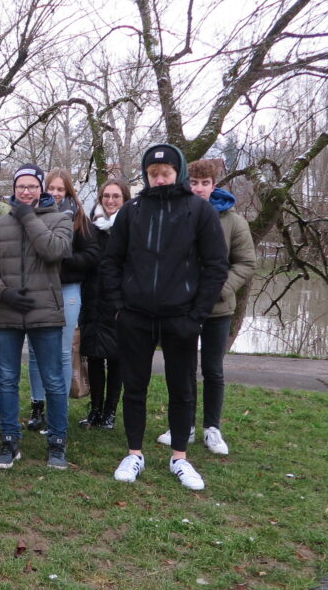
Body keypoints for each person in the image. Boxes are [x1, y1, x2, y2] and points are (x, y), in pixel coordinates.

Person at [101, 144, 228, 491]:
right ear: (146, 176)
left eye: (166, 173)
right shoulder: (132, 211)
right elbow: (112, 261)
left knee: (182, 388)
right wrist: (118, 307)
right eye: (153, 174)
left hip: (181, 317)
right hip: (135, 316)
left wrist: (197, 315)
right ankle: (134, 452)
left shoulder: (199, 211)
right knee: (135, 386)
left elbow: (216, 267)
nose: (159, 179)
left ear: (178, 173)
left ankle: (180, 458)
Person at [153, 159, 255, 454]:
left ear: (214, 185)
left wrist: (219, 290)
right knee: (184, 369)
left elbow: (246, 263)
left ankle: (213, 428)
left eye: (205, 183)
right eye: (193, 183)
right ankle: (184, 426)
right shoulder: (175, 215)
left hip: (217, 308)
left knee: (212, 369)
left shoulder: (233, 221)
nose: (199, 189)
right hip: (182, 307)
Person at [0, 163, 73, 470]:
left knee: (53, 381)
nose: (26, 191)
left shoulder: (61, 219)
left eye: (33, 186)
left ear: (41, 188)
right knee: (6, 379)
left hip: (45, 312)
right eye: (21, 186)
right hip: (7, 310)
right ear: (15, 188)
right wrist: (2, 292)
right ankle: (9, 439)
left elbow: (53, 251)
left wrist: (27, 216)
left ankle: (57, 442)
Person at [24, 169, 99, 433]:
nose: (55, 193)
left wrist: (63, 260)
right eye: (51, 188)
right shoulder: (34, 214)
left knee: (65, 351)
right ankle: (38, 405)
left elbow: (91, 256)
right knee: (34, 352)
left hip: (67, 290)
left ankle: (60, 409)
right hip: (38, 290)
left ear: (68, 192)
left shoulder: (79, 219)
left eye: (61, 189)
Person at [78, 179, 132, 429]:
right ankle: (95, 410)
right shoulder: (90, 228)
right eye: (106, 196)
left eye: (116, 197)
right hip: (92, 301)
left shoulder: (131, 226)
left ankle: (110, 412)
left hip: (120, 302)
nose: (110, 201)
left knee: (117, 359)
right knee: (95, 357)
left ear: (125, 199)